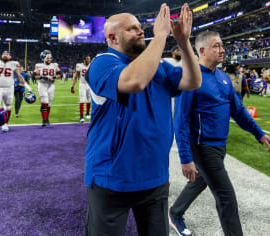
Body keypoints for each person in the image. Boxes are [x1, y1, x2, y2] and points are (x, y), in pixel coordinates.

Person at [84, 3, 201, 236]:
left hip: (155, 178)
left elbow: (193, 81)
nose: (140, 31)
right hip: (112, 179)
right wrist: (160, 36)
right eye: (131, 29)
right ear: (112, 37)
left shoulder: (160, 66)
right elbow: (134, 82)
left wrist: (184, 42)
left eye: (140, 27)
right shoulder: (102, 62)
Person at [169, 31, 270, 236]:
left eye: (222, 45)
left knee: (200, 180)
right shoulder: (190, 77)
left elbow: (239, 112)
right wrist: (185, 157)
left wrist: (260, 134)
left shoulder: (223, 78)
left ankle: (175, 213)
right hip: (202, 147)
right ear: (201, 50)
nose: (222, 50)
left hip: (219, 146)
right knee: (226, 197)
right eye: (216, 46)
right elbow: (180, 121)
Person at [0, 51, 28, 132]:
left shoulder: (13, 64)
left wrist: (24, 84)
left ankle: (5, 124)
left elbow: (18, 75)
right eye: (4, 54)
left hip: (9, 88)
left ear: (10, 57)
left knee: (8, 106)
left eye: (7, 54)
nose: (5, 55)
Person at [34, 50, 62, 127]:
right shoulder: (39, 66)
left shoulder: (54, 65)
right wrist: (44, 77)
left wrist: (54, 77)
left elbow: (60, 74)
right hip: (42, 85)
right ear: (43, 58)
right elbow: (34, 76)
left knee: (49, 104)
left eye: (50, 58)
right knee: (44, 102)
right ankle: (44, 120)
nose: (49, 59)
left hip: (51, 86)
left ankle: (47, 118)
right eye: (47, 58)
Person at [71, 55, 91, 123]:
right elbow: (76, 76)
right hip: (82, 84)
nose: (89, 60)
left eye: (89, 59)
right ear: (84, 60)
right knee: (82, 100)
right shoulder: (79, 66)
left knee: (89, 100)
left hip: (89, 85)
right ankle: (81, 116)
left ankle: (87, 113)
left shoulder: (91, 65)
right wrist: (72, 86)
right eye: (88, 59)